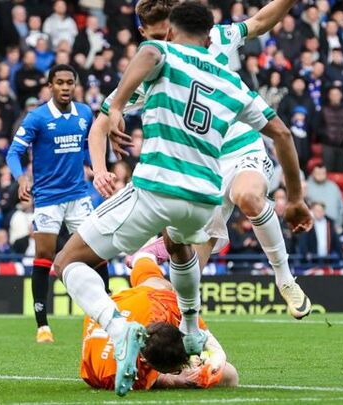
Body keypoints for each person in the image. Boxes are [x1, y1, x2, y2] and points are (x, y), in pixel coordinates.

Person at [52, 2, 311, 396]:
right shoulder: (231, 79)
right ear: (208, 37)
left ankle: (119, 329)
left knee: (68, 261)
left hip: (159, 188)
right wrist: (295, 199)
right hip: (204, 197)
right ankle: (190, 329)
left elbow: (148, 54)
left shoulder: (160, 54)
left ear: (171, 31)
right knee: (179, 246)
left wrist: (118, 104)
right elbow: (284, 135)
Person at [95, 0, 313, 319]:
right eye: (156, 37)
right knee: (189, 272)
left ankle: (284, 278)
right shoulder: (151, 71)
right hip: (203, 166)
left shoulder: (214, 41)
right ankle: (191, 333)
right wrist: (100, 168)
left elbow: (259, 21)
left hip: (241, 146)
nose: (164, 41)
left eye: (166, 33)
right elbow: (100, 123)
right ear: (145, 34)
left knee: (248, 196)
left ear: (175, 28)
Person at [5, 64, 105, 344]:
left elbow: (86, 147)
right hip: (48, 198)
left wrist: (97, 168)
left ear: (75, 85)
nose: (65, 87)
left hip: (78, 195)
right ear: (50, 86)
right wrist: (21, 178)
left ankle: (104, 320)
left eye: (69, 82)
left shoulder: (84, 113)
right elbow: (14, 153)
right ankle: (42, 326)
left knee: (97, 252)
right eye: (59, 82)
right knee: (44, 255)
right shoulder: (37, 118)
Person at [81, 256, 237, 391]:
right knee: (229, 375)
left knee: (160, 284)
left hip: (123, 304)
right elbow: (231, 376)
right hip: (107, 308)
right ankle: (144, 257)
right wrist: (179, 379)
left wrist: (215, 356)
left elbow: (214, 350)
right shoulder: (119, 377)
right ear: (144, 360)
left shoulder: (168, 307)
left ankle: (144, 256)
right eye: (177, 370)